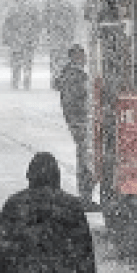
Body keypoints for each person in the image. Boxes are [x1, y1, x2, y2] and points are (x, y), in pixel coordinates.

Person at [50, 45, 98, 209]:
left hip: (79, 123)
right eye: (81, 56)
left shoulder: (71, 75)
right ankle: (85, 198)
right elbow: (73, 103)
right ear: (75, 58)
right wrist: (81, 121)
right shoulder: (74, 77)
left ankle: (85, 196)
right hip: (81, 123)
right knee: (86, 160)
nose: (84, 59)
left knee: (85, 158)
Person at [2, 0, 42, 90]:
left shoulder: (13, 9)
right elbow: (37, 25)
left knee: (18, 63)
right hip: (26, 40)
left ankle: (17, 82)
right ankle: (25, 82)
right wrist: (35, 37)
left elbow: (7, 25)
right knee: (25, 63)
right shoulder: (32, 9)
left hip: (18, 40)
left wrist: (6, 38)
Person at [42, 0, 78, 82]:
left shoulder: (49, 8)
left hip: (57, 38)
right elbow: (73, 21)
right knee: (62, 59)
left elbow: (44, 22)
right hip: (63, 38)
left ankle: (56, 78)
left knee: (56, 59)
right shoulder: (67, 7)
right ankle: (61, 78)